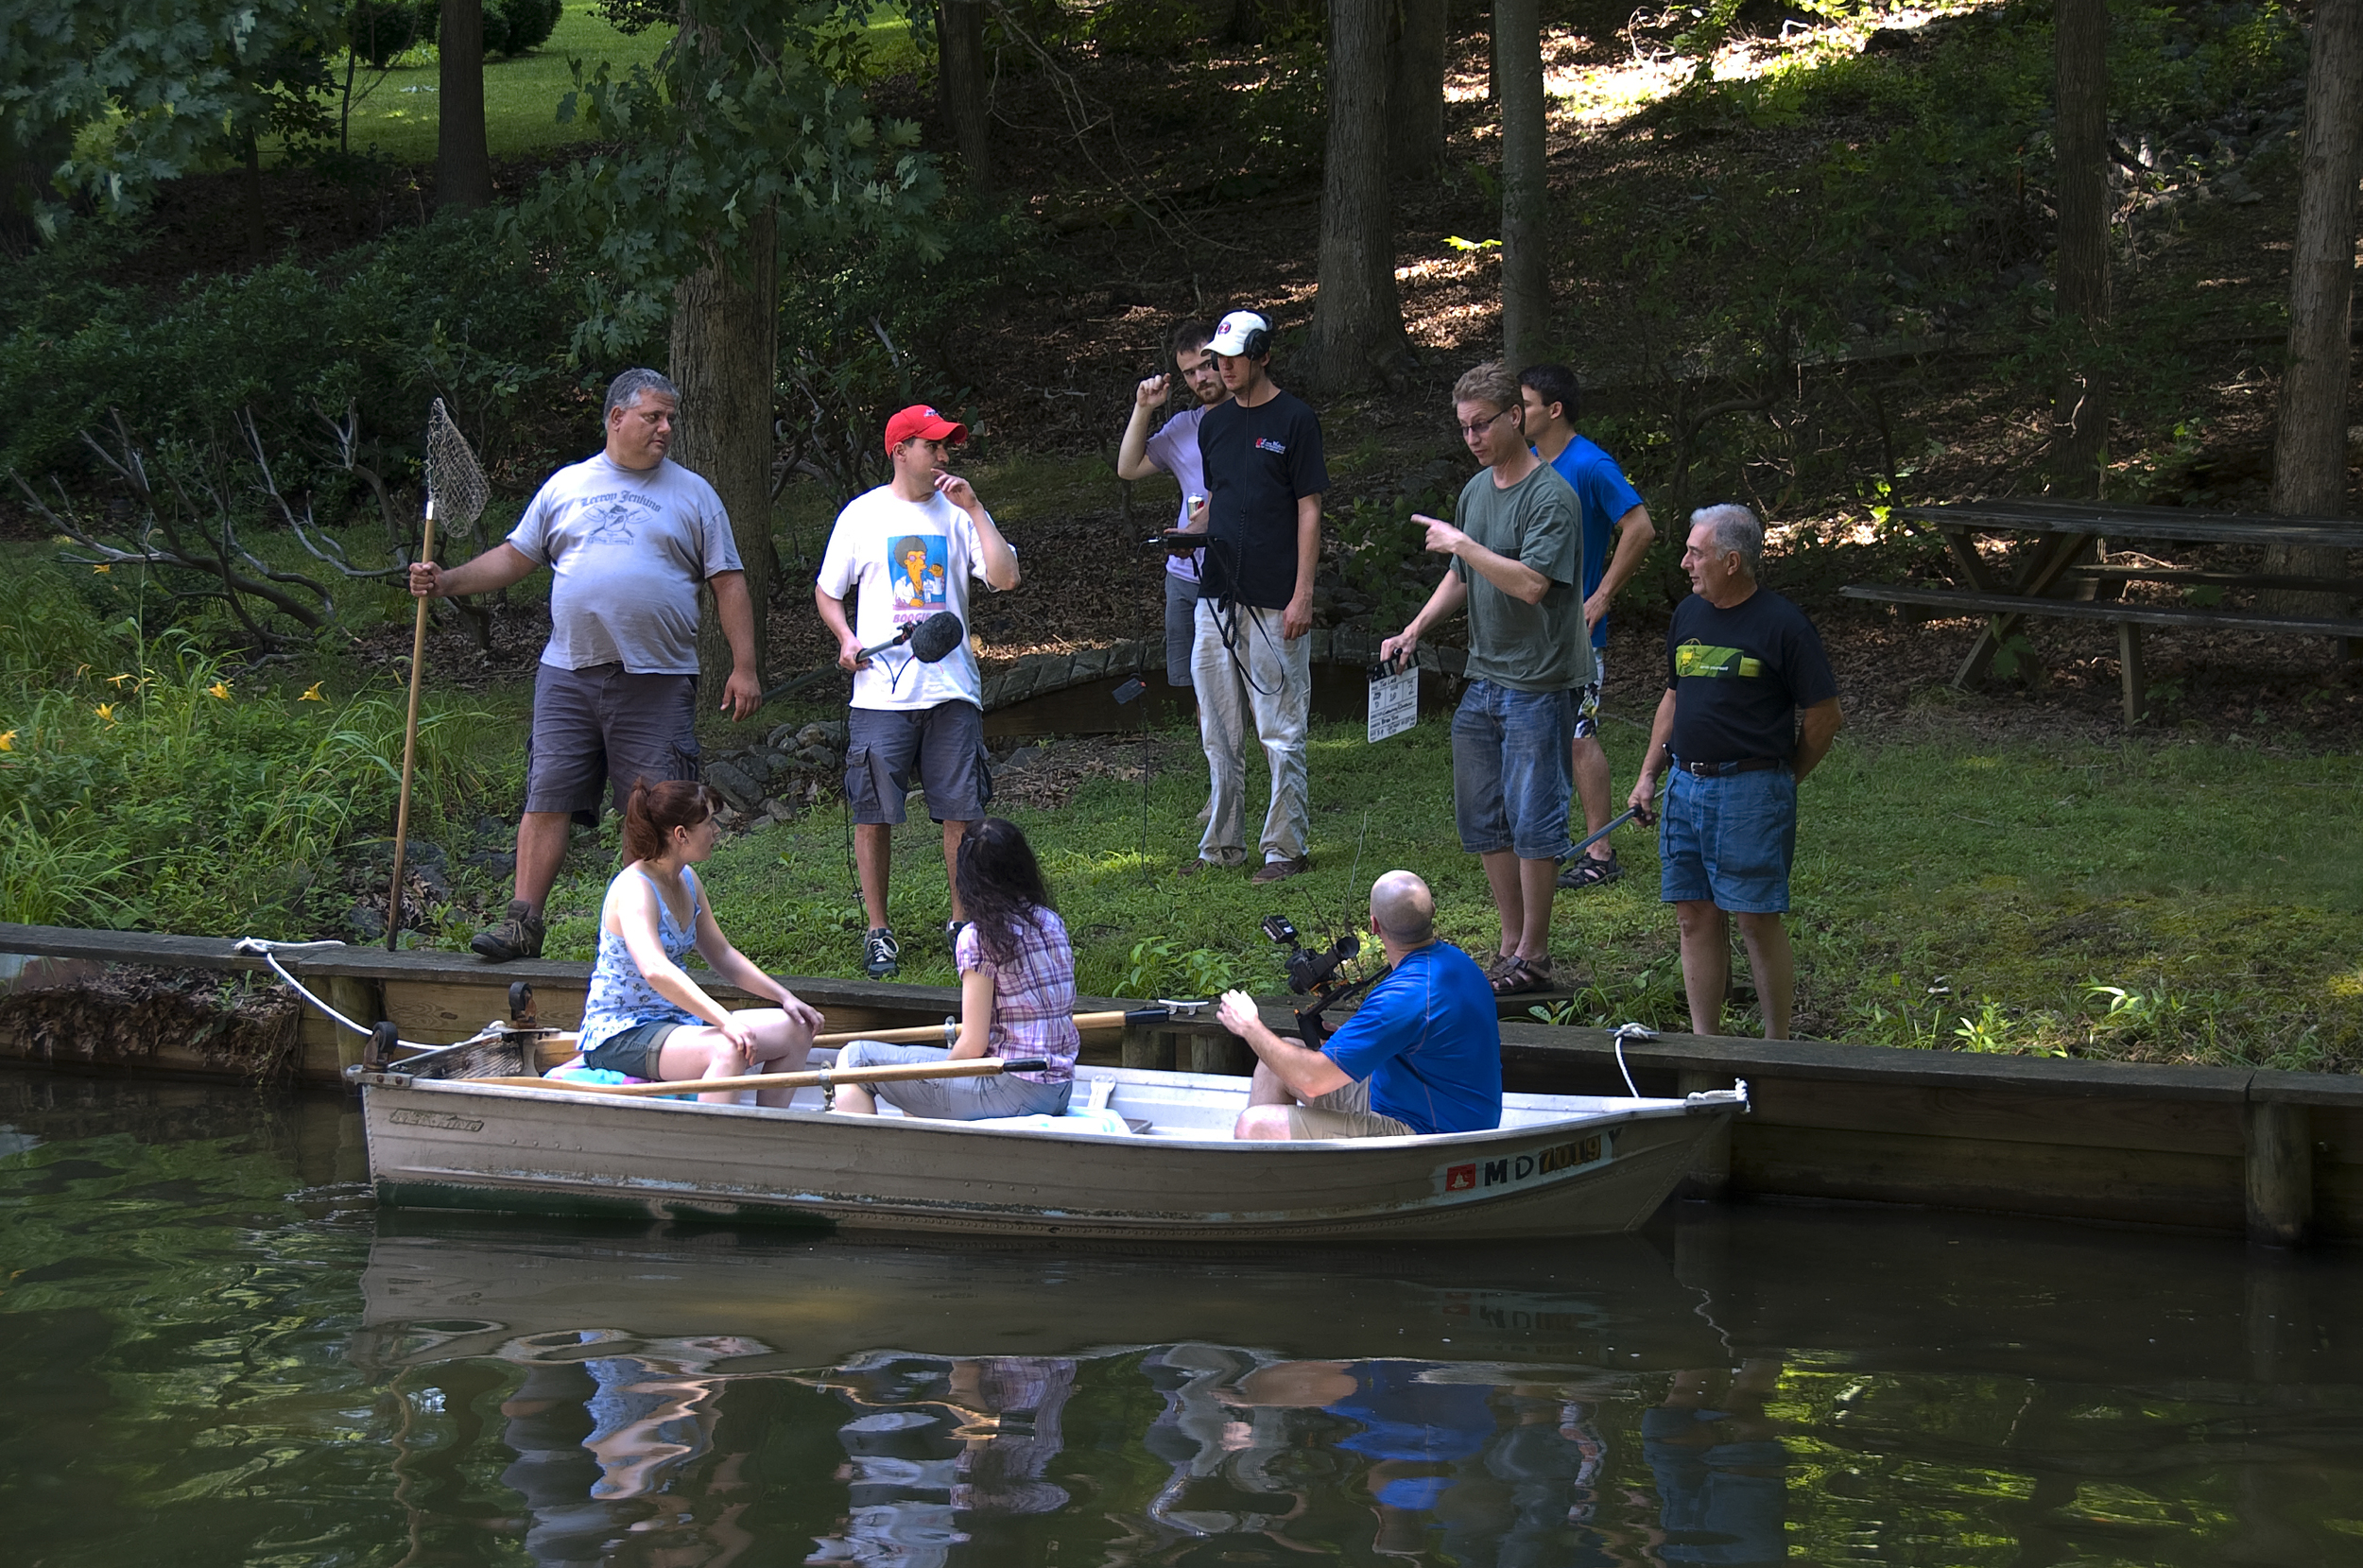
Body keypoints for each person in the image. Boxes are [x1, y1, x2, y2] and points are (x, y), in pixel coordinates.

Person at [409, 368, 761, 963]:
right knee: (546, 795)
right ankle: (523, 923)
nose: (666, 428)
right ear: (616, 417)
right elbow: (515, 558)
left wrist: (744, 666)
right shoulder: (566, 486)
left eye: (671, 417)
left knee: (652, 809)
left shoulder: (694, 493)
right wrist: (446, 583)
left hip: (657, 677)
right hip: (568, 673)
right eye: (654, 416)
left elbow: (728, 582)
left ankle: (641, 940)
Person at [1381, 362, 1587, 996]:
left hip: (1539, 679)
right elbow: (1463, 577)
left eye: (1481, 424)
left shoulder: (1552, 496)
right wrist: (1415, 628)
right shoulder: (1476, 491)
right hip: (1487, 676)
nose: (1471, 437)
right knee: (1486, 817)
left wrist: (1462, 546)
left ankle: (1536, 953)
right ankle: (1509, 945)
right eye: (1463, 427)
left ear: (1516, 418)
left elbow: (1529, 584)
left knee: (1534, 816)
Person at [816, 405, 1022, 979]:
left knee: (961, 812)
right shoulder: (861, 516)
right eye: (933, 446)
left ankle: (962, 923)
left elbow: (1006, 578)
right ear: (900, 451)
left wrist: (977, 509)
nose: (944, 456)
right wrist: (846, 636)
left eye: (945, 446)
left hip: (952, 689)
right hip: (879, 693)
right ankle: (879, 930)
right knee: (873, 814)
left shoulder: (959, 515)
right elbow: (828, 592)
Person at [1628, 504, 1843, 1041]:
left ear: (1731, 561)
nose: (1684, 563)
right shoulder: (1688, 616)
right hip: (1684, 784)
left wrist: (1784, 775)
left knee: (1754, 917)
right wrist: (1649, 774)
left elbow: (1825, 715)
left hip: (1751, 789)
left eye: (1695, 553)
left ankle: (1777, 1046)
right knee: (1693, 914)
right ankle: (1706, 1044)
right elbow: (1673, 699)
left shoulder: (1784, 626)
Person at [1185, 308, 1327, 884]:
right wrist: (1184, 536)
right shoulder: (1212, 424)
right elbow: (1216, 497)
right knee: (1217, 728)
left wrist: (1303, 594)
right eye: (1218, 358)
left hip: (1275, 598)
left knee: (1280, 725)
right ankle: (1221, 845)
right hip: (1216, 594)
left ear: (1263, 355)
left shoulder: (1296, 419)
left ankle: (1284, 848)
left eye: (1234, 357)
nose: (1223, 367)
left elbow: (1309, 508)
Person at [573, 780, 824, 1104]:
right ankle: (715, 1148)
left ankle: (765, 1136)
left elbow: (721, 953)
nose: (716, 831)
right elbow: (654, 969)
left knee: (797, 1028)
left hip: (675, 1023)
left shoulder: (687, 879)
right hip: (621, 1033)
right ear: (681, 834)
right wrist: (725, 1020)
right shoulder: (635, 888)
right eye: (708, 822)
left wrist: (785, 998)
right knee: (729, 1047)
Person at [1214, 870, 1501, 1139]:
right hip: (1438, 1105)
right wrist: (1357, 1043)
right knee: (1274, 1065)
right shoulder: (1458, 964)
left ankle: (1272, 1188)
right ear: (1432, 912)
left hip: (1433, 1133)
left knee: (1255, 1125)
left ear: (1374, 925)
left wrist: (1250, 1027)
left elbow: (1312, 1080)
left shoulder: (1402, 995)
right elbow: (1427, 1040)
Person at [832, 818, 1078, 1120]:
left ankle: (871, 1164)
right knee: (916, 1095)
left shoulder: (979, 937)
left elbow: (974, 1043)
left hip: (1013, 1089)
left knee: (853, 1059)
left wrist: (933, 1078)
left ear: (968, 877)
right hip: (1060, 1087)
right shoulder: (1050, 922)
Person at [1519, 363, 1657, 892]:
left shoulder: (1592, 464)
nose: (1517, 413)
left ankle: (1600, 852)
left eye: (1525, 404)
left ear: (1554, 410)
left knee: (1579, 737)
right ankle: (1542, 843)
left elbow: (1640, 527)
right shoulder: (1528, 463)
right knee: (1535, 738)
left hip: (1578, 637)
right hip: (1530, 634)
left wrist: (1601, 595)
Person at [1114, 319, 1228, 696]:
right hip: (1184, 575)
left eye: (1206, 365)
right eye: (1189, 373)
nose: (1200, 379)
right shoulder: (1184, 427)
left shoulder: (1253, 420)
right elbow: (1128, 468)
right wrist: (1143, 407)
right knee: (1200, 687)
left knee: (1241, 683)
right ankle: (1214, 756)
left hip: (1238, 575)